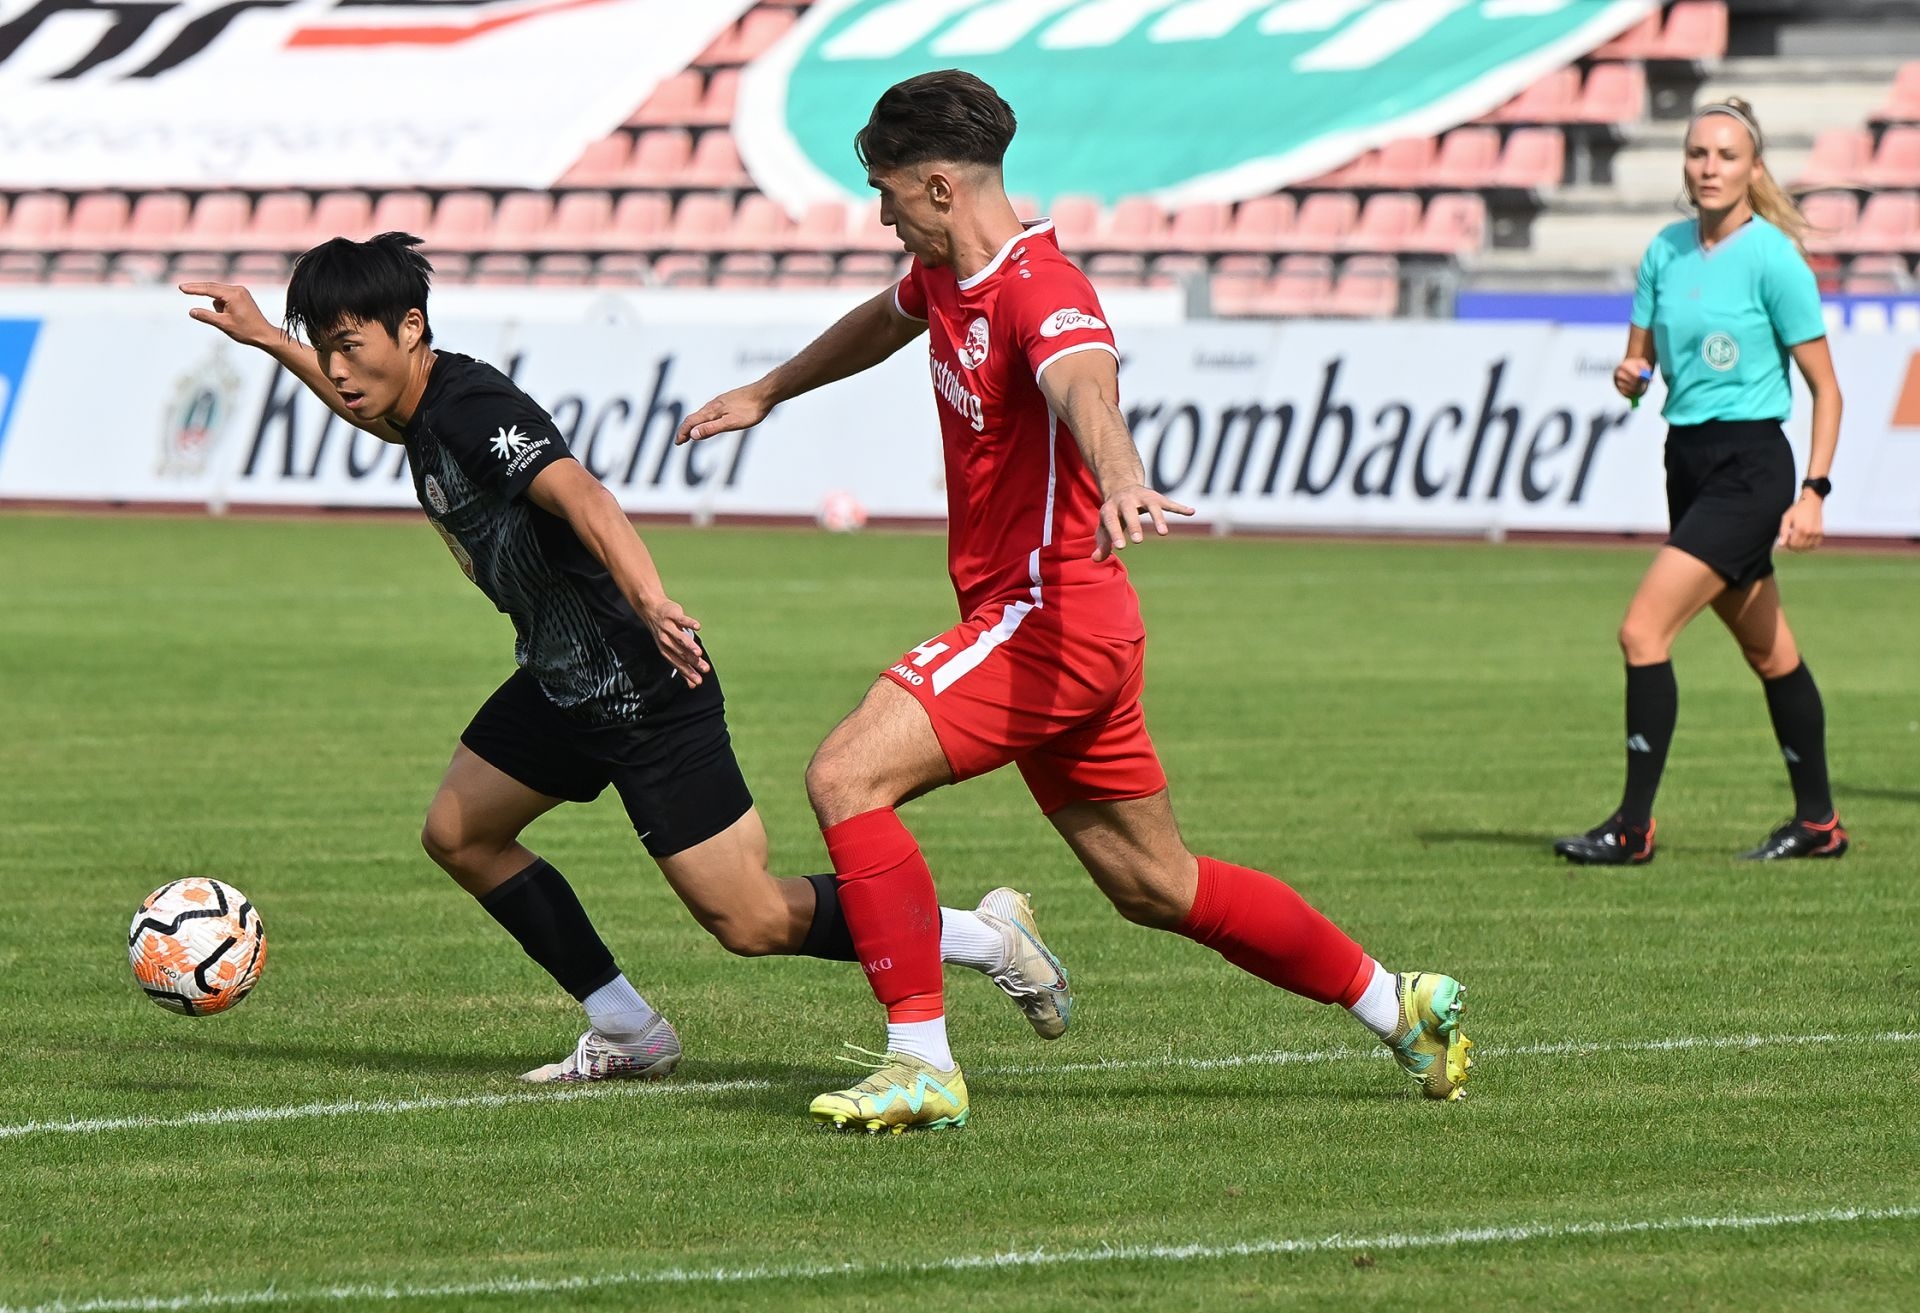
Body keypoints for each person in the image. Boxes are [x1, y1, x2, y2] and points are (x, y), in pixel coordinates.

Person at [678, 71, 1473, 1133]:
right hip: (1076, 628)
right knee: (1157, 886)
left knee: (844, 774)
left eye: (888, 193)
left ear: (940, 186)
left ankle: (922, 1062)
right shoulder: (944, 274)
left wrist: (1123, 474)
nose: (883, 215)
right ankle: (1396, 1000)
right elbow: (881, 320)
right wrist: (769, 390)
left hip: (1043, 619)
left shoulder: (1040, 288)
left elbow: (1084, 385)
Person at [180, 233, 1072, 1083]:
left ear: (410, 328)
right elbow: (371, 412)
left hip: (642, 683)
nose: (337, 371)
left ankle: (987, 939)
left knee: (750, 918)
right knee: (460, 834)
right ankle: (626, 1028)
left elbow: (585, 495)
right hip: (562, 681)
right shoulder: (416, 408)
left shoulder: (471, 406)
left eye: (348, 347)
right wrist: (269, 339)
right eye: (324, 350)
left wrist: (650, 601)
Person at [1554, 98, 1848, 867]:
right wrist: (1630, 376)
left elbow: (1828, 389)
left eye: (1725, 155)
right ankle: (1819, 823)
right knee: (1771, 653)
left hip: (1751, 469)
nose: (1709, 168)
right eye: (1697, 154)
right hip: (1685, 462)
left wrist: (1814, 490)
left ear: (1754, 168)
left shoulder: (1775, 259)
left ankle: (1632, 829)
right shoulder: (1665, 251)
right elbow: (1638, 367)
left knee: (1642, 631)